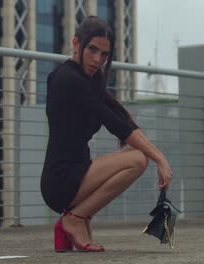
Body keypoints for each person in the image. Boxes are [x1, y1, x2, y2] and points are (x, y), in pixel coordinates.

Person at [40, 16, 173, 253]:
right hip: (61, 179)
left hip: (78, 171)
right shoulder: (67, 79)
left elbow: (122, 119)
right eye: (92, 50)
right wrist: (159, 159)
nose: (97, 59)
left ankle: (75, 221)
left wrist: (158, 156)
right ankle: (74, 219)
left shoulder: (89, 80)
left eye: (104, 55)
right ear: (75, 43)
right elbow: (117, 125)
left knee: (137, 154)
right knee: (137, 159)